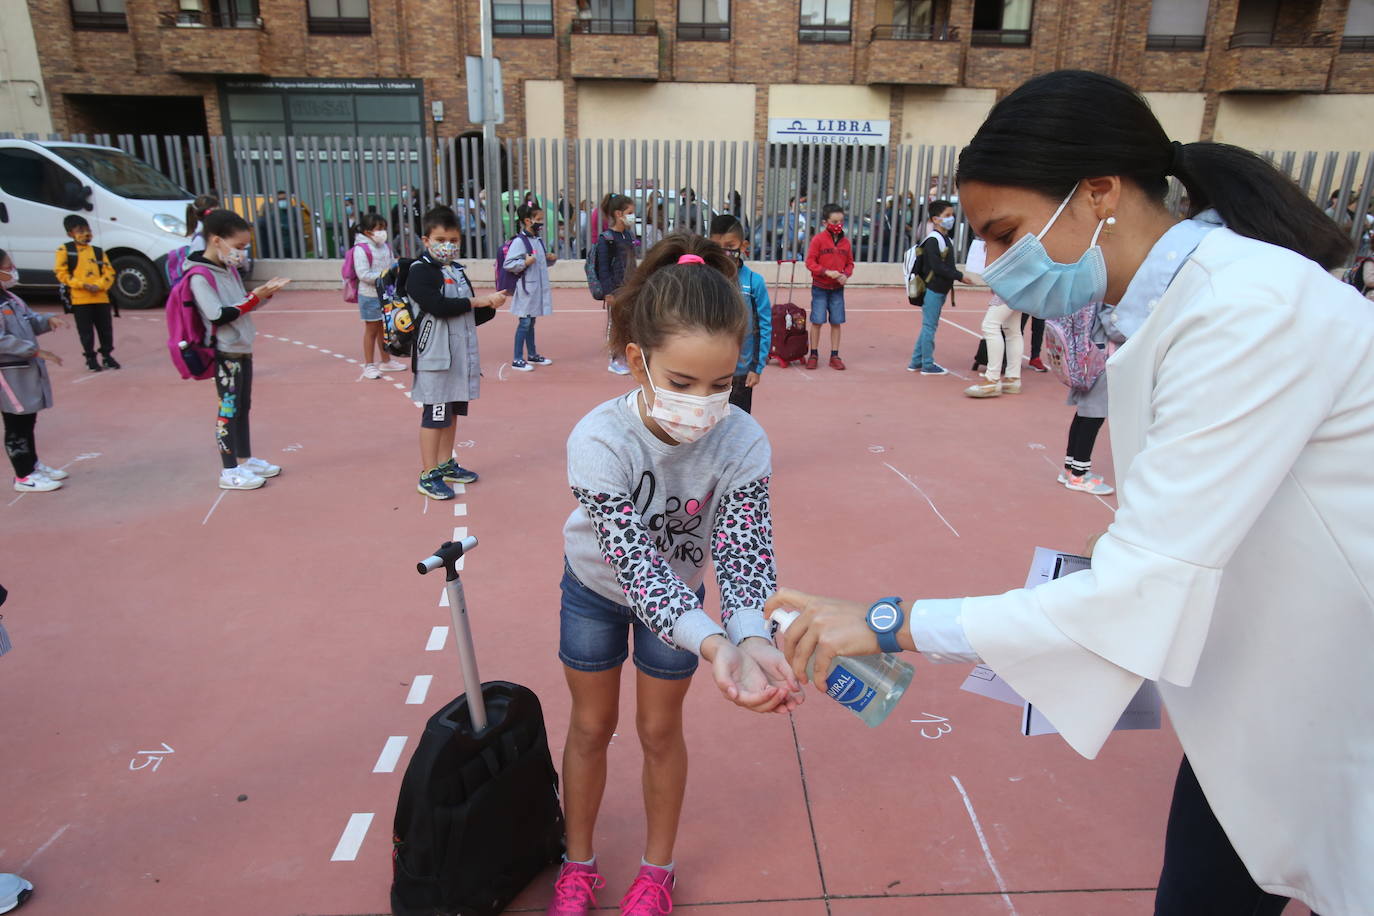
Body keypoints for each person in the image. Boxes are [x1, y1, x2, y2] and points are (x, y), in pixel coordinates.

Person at [769, 69, 1368, 916]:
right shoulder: (1180, 308)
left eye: (1004, 232)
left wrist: (884, 621)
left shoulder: (1247, 308)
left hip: (1332, 692)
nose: (987, 264)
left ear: (1098, 194)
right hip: (1263, 694)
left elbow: (1146, 585)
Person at [546, 233, 801, 916]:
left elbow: (745, 555)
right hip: (596, 592)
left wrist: (751, 638)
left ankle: (656, 871)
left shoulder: (743, 439)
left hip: (685, 601)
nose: (704, 405)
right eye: (684, 384)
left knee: (661, 732)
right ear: (638, 361)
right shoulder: (599, 441)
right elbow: (633, 567)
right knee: (591, 726)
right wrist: (717, 643)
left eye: (722, 384)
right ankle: (578, 864)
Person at [407, 206, 506, 500]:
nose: (447, 245)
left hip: (460, 358)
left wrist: (490, 306)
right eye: (440, 239)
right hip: (436, 359)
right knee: (435, 415)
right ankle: (428, 474)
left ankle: (445, 463)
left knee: (451, 415)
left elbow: (468, 313)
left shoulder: (457, 271)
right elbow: (438, 306)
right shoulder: (420, 272)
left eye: (453, 239)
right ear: (426, 240)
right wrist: (478, 302)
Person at [187, 209, 292, 490]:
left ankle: (245, 459)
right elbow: (218, 314)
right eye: (239, 247)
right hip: (224, 352)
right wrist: (252, 297)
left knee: (243, 406)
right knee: (228, 408)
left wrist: (262, 295)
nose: (242, 253)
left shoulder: (227, 269)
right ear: (216, 240)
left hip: (242, 347)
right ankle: (229, 470)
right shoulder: (199, 276)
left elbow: (241, 305)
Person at [0, 249, 70, 493]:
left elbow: (29, 321)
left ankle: (33, 464)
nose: (12, 270)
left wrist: (48, 320)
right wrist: (34, 351)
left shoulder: (11, 298)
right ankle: (23, 475)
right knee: (16, 422)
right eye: (8, 267)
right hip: (8, 373)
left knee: (28, 418)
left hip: (24, 369)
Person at [708, 214, 770, 414]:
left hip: (742, 372)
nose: (724, 252)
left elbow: (764, 326)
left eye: (730, 245)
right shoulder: (705, 279)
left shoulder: (754, 282)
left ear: (743, 246)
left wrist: (756, 367)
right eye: (717, 247)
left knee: (737, 423)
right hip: (709, 370)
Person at [904, 199, 964, 376]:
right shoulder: (933, 240)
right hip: (933, 289)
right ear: (936, 219)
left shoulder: (943, 238)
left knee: (928, 326)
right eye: (947, 216)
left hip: (939, 289)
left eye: (952, 215)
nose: (951, 219)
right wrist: (960, 276)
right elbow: (938, 267)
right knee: (929, 326)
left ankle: (916, 361)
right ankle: (927, 364)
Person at [54, 214, 117, 372]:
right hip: (80, 299)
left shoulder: (98, 252)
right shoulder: (65, 250)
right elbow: (61, 273)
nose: (86, 233)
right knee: (86, 331)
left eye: (87, 230)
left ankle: (107, 356)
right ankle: (90, 358)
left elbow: (109, 272)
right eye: (80, 230)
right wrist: (81, 285)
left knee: (105, 329)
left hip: (101, 297)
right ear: (70, 233)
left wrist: (99, 285)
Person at [961, 238, 1022, 397]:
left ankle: (992, 380)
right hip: (1019, 284)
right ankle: (1012, 379)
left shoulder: (1001, 235)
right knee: (1012, 330)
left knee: (990, 325)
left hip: (1008, 286)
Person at [504, 202, 556, 372]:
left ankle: (532, 354)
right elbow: (509, 263)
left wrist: (550, 258)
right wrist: (524, 262)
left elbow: (541, 263)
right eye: (539, 219)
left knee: (531, 322)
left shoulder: (538, 240)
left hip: (536, 288)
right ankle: (517, 358)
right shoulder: (520, 241)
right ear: (528, 221)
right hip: (527, 289)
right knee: (524, 323)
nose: (542, 223)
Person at [350, 211, 400, 380]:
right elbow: (363, 274)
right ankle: (369, 365)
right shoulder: (360, 249)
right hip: (369, 295)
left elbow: (392, 264)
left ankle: (386, 360)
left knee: (384, 329)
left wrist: (397, 270)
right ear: (368, 231)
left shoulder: (385, 246)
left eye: (384, 228)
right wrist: (385, 276)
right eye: (379, 228)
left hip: (385, 294)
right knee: (371, 330)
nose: (382, 232)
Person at [593, 193, 639, 376]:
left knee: (628, 322)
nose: (633, 216)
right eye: (630, 212)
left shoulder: (627, 235)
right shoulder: (606, 239)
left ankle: (626, 355)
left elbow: (631, 263)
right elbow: (603, 268)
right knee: (615, 323)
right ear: (619, 214)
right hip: (615, 289)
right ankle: (615, 359)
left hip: (629, 286)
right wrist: (608, 292)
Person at [803, 203, 853, 370]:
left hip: (837, 289)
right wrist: (825, 271)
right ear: (825, 222)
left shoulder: (846, 243)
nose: (838, 225)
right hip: (820, 287)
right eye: (834, 221)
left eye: (841, 221)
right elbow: (810, 262)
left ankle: (835, 354)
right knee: (817, 321)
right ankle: (814, 354)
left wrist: (845, 275)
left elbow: (850, 264)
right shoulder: (818, 240)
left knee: (836, 322)